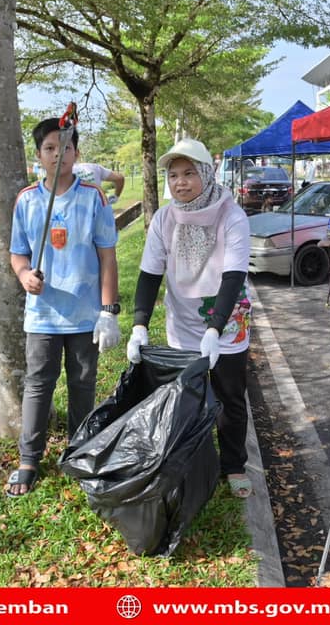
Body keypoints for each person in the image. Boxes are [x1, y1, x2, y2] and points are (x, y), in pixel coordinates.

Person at [125, 138, 254, 499]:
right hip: (182, 319)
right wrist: (138, 325)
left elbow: (233, 276)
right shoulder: (165, 218)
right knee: (189, 395)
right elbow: (150, 275)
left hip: (226, 322)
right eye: (173, 175)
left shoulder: (232, 216)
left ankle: (234, 464)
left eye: (189, 173)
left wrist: (214, 329)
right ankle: (193, 461)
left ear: (207, 174)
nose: (180, 182)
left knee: (230, 396)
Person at [6, 117, 120, 498]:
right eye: (50, 149)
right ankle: (28, 459)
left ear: (77, 153)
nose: (59, 155)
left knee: (83, 383)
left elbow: (107, 257)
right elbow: (18, 253)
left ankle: (79, 449)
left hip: (86, 315)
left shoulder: (93, 197)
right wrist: (25, 276)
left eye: (65, 147)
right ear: (38, 155)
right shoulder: (26, 200)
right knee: (38, 384)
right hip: (42, 316)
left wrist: (108, 310)